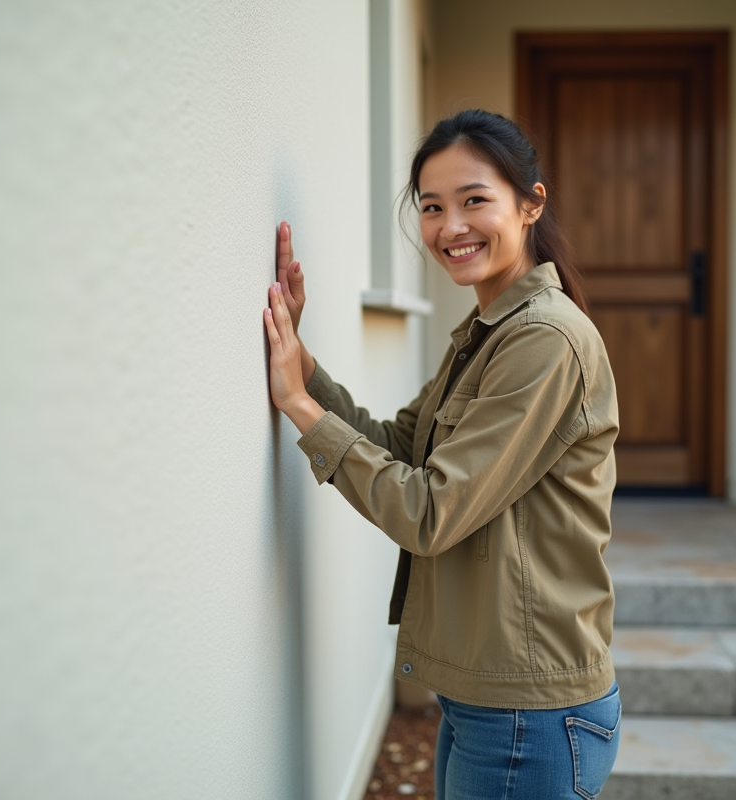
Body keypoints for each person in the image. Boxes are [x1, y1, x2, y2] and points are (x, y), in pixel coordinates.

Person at [263, 109, 621, 800]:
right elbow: (400, 447)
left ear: (530, 203)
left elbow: (431, 510)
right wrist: (300, 364)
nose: (450, 226)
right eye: (432, 207)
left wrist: (298, 410)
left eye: (474, 200)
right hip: (489, 696)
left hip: (528, 710)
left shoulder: (543, 340)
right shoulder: (489, 332)